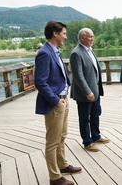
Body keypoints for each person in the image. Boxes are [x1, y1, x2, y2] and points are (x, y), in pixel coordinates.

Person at [34, 20, 81, 185]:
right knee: (52, 141)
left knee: (62, 136)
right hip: (54, 103)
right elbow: (40, 82)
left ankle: (62, 165)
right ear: (55, 34)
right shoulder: (44, 53)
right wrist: (56, 101)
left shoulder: (55, 51)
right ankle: (54, 177)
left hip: (63, 99)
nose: (65, 37)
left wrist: (64, 94)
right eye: (64, 33)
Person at [69, 28, 109, 152]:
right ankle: (87, 142)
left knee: (96, 114)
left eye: (92, 36)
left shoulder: (89, 50)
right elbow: (78, 76)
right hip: (85, 94)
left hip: (95, 91)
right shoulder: (76, 53)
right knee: (85, 118)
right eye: (90, 37)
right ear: (82, 38)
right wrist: (88, 92)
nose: (92, 39)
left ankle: (96, 136)